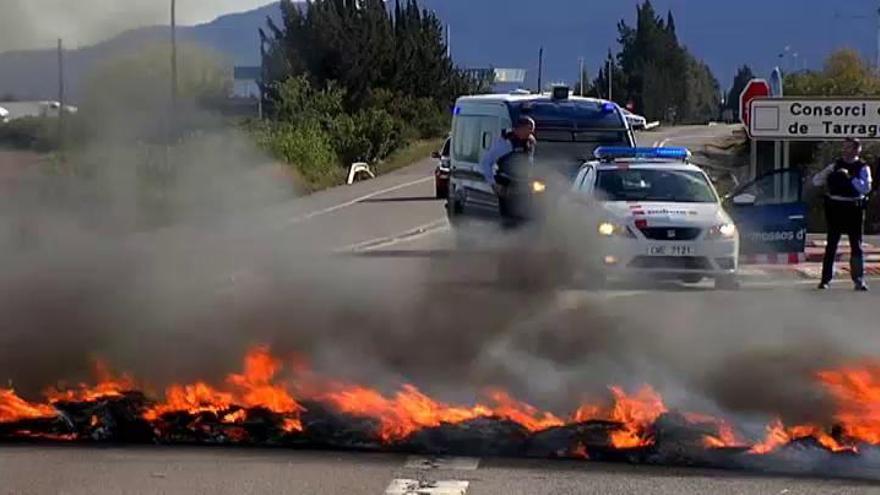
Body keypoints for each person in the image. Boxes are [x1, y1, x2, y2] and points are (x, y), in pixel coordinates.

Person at [812, 137, 873, 291]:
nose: (845, 151)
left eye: (849, 148)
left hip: (854, 207)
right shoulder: (835, 165)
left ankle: (858, 280)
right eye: (844, 147)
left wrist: (850, 177)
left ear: (857, 150)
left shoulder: (863, 167)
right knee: (831, 245)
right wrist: (830, 175)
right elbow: (816, 181)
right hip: (836, 207)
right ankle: (825, 280)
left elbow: (865, 188)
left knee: (856, 245)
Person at [478, 116, 537, 224]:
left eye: (531, 130)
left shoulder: (531, 142)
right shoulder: (506, 143)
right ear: (519, 129)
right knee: (509, 220)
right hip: (507, 185)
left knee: (526, 220)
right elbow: (486, 162)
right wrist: (493, 184)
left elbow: (530, 162)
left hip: (524, 186)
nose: (529, 133)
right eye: (527, 130)